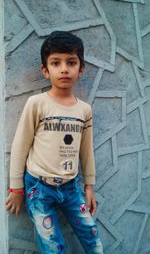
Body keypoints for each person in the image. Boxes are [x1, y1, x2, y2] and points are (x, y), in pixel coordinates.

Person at [6, 31, 104, 254]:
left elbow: (86, 151)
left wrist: (89, 187)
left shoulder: (84, 110)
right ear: (45, 70)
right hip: (38, 188)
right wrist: (16, 188)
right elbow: (21, 146)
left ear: (81, 70)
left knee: (92, 238)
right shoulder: (37, 104)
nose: (63, 69)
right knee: (52, 247)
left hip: (71, 187)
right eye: (55, 63)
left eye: (71, 62)